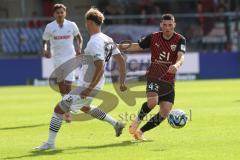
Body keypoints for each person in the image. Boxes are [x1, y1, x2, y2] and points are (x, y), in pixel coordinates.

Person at [35, 7, 127, 150]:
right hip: (96, 84)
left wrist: (89, 88)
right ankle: (116, 124)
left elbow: (100, 66)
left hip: (88, 85)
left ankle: (50, 143)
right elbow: (120, 60)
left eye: (86, 22)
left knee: (58, 109)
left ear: (89, 23)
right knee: (85, 107)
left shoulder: (94, 42)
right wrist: (122, 81)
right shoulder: (107, 39)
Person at [118, 14, 186, 140]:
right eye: (165, 25)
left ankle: (141, 132)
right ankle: (137, 120)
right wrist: (117, 47)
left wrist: (176, 65)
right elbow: (137, 46)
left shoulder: (180, 39)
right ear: (161, 25)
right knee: (152, 102)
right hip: (154, 76)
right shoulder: (153, 37)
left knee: (165, 112)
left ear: (174, 25)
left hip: (169, 81)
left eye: (170, 25)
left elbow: (181, 56)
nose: (167, 28)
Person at [42, 4, 83, 122]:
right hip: (57, 59)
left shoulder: (71, 25)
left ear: (65, 13)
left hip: (70, 57)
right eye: (57, 12)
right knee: (61, 86)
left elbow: (79, 38)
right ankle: (66, 107)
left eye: (61, 12)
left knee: (68, 85)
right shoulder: (50, 27)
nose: (60, 14)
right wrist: (45, 49)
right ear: (54, 14)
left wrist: (79, 48)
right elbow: (44, 40)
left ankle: (67, 111)